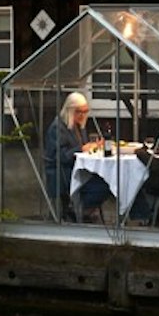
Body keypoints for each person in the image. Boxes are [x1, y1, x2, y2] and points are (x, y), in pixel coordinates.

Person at [42, 89, 96, 220]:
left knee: (104, 182)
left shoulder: (78, 126)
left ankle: (85, 210)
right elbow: (61, 156)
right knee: (99, 184)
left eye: (85, 111)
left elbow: (82, 147)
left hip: (77, 169)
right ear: (70, 110)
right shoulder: (58, 127)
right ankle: (80, 210)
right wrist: (82, 149)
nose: (83, 115)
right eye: (79, 112)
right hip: (62, 172)